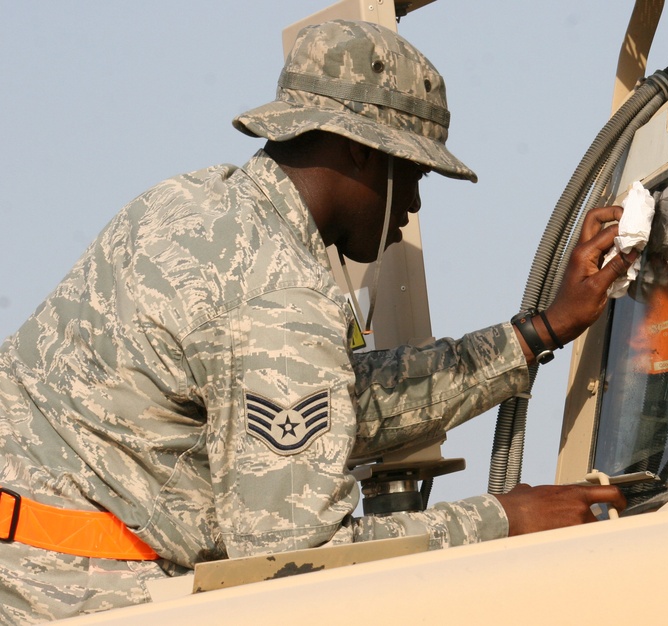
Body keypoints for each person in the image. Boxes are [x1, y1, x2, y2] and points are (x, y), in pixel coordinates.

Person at [0, 19, 632, 624]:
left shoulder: (192, 208)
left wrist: (537, 334)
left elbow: (333, 404)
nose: (411, 204)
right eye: (411, 173)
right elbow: (297, 563)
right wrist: (505, 519)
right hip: (74, 594)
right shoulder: (276, 293)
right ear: (361, 153)